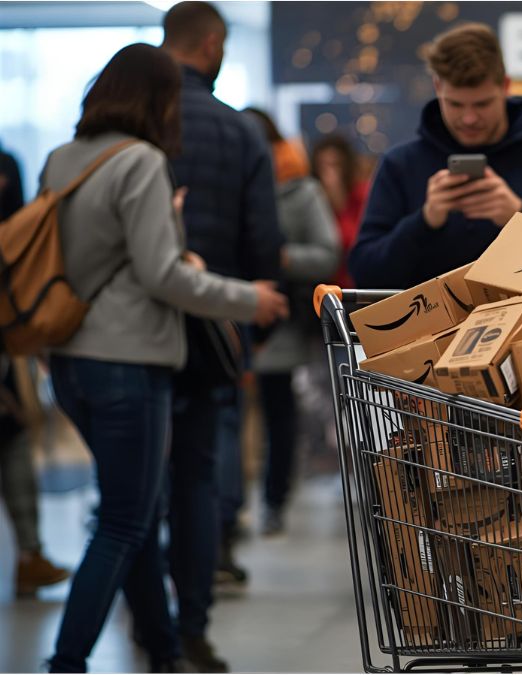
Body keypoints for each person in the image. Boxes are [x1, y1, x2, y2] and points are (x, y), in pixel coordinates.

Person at [39, 43, 286, 673]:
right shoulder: (143, 161)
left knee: (136, 511)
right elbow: (162, 276)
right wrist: (245, 298)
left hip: (70, 360)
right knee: (124, 521)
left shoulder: (63, 159)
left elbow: (93, 256)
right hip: (130, 361)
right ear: (158, 98)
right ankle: (67, 661)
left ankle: (165, 650)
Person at [161, 2, 284, 670]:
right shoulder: (239, 131)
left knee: (132, 490)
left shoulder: (129, 125)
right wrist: (255, 323)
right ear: (212, 45)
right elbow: (264, 238)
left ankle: (148, 621)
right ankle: (192, 628)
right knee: (199, 474)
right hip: (215, 328)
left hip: (134, 332)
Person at [348, 22, 522, 290]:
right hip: (426, 331)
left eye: (482, 104)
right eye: (455, 104)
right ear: (437, 87)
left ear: (505, 86)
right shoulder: (400, 165)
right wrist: (424, 221)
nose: (469, 118)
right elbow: (365, 275)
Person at [243, 107, 340, 536]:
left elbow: (327, 253)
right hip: (234, 319)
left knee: (279, 413)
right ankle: (243, 507)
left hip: (281, 320)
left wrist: (277, 259)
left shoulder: (300, 192)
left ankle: (273, 500)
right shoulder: (234, 188)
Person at [0, 143, 73, 598]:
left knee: (16, 442)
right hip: (10, 345)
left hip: (10, 347)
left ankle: (31, 554)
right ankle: (30, 554)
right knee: (15, 444)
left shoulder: (9, 161)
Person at [311, 134, 367, 289]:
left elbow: (354, 244)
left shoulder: (361, 195)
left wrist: (340, 203)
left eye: (335, 165)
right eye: (323, 166)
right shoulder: (311, 198)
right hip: (322, 288)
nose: (329, 174)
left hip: (354, 287)